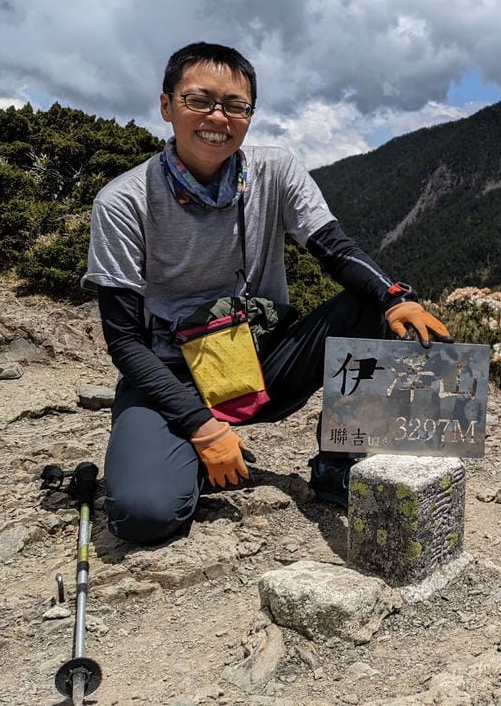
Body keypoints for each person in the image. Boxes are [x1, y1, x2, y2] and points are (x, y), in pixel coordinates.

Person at [82, 42, 450, 544]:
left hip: (262, 363)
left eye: (235, 105)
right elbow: (124, 342)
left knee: (368, 305)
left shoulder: (274, 169)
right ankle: (186, 453)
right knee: (145, 515)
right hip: (172, 375)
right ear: (167, 106)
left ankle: (338, 463)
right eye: (198, 101)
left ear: (249, 114)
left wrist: (394, 296)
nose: (218, 117)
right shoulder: (123, 203)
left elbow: (333, 248)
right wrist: (200, 427)